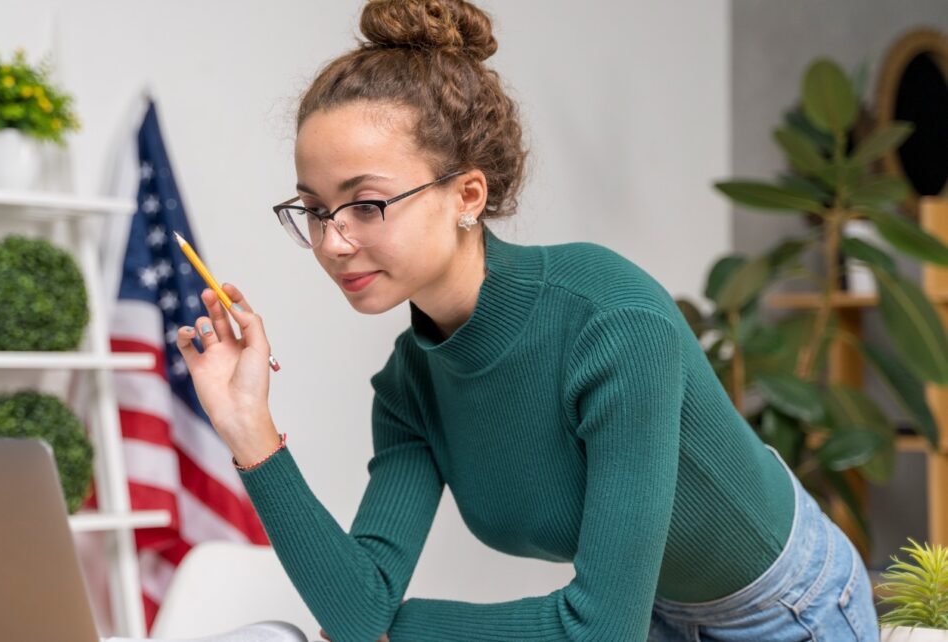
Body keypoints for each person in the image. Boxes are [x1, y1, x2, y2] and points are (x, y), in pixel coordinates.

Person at [175, 1, 880, 640]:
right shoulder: (409, 385)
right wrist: (249, 430)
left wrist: (400, 633)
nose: (333, 241)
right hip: (658, 615)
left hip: (787, 610)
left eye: (367, 204)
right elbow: (358, 610)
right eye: (317, 209)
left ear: (467, 195)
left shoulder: (611, 320)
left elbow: (600, 629)